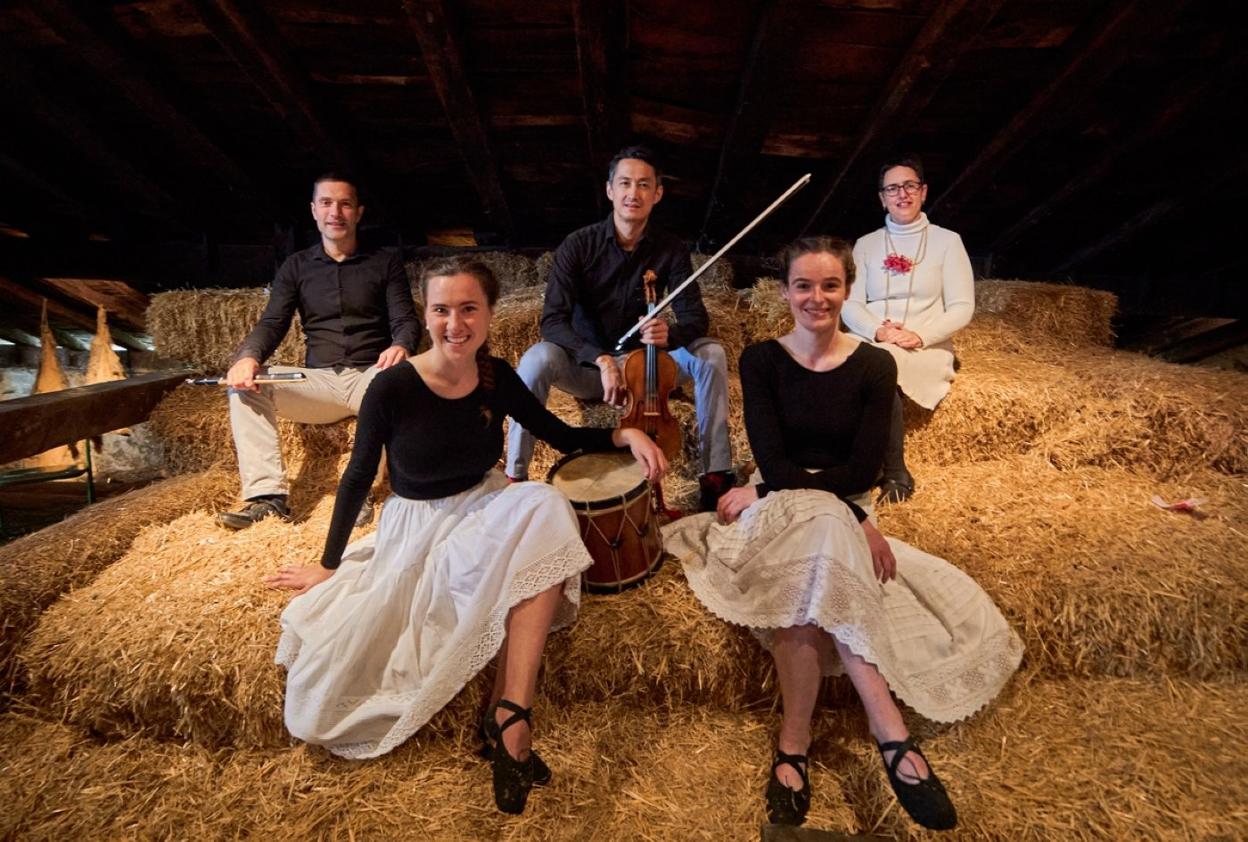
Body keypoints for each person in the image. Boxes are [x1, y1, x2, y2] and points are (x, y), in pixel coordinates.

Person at [265, 257, 667, 815]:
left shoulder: (495, 375)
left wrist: (624, 435)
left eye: (468, 309)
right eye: (441, 310)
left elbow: (558, 433)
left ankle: (511, 714)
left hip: (483, 505)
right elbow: (357, 477)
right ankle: (507, 723)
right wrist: (328, 565)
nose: (455, 324)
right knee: (329, 693)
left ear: (490, 314)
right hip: (419, 526)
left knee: (545, 504)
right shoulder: (391, 387)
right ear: (426, 315)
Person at [665, 237, 1021, 830]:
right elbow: (776, 466)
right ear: (785, 292)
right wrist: (850, 517)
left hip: (840, 504)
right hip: (784, 501)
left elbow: (863, 473)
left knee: (820, 547)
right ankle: (891, 733)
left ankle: (793, 744)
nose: (817, 297)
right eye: (803, 285)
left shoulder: (876, 365)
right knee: (827, 526)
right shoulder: (761, 360)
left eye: (830, 285)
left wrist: (850, 511)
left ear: (848, 291)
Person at [506, 145, 735, 511]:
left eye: (644, 185)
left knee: (711, 353)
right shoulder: (578, 245)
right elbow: (552, 321)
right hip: (589, 372)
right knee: (537, 357)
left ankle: (716, 476)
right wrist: (599, 358)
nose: (634, 193)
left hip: (647, 372)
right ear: (610, 190)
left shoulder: (671, 249)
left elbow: (695, 317)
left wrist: (670, 335)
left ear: (657, 194)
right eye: (625, 183)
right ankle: (516, 477)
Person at [218, 172, 420, 530]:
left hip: (370, 377)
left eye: (345, 204)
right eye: (326, 203)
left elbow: (406, 320)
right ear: (314, 210)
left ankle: (359, 493)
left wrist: (401, 346)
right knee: (245, 388)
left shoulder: (384, 262)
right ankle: (268, 498)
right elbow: (272, 322)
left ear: (358, 212)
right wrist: (248, 357)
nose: (335, 212)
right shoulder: (295, 266)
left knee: (389, 384)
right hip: (318, 381)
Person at [843, 155, 974, 503]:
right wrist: (879, 331)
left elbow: (962, 306)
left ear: (923, 191)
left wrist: (920, 336)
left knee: (880, 365)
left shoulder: (948, 242)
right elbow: (850, 303)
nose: (902, 194)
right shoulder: (866, 244)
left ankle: (895, 471)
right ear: (882, 198)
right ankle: (861, 465)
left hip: (925, 345)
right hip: (874, 337)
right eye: (892, 188)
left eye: (909, 186)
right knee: (862, 361)